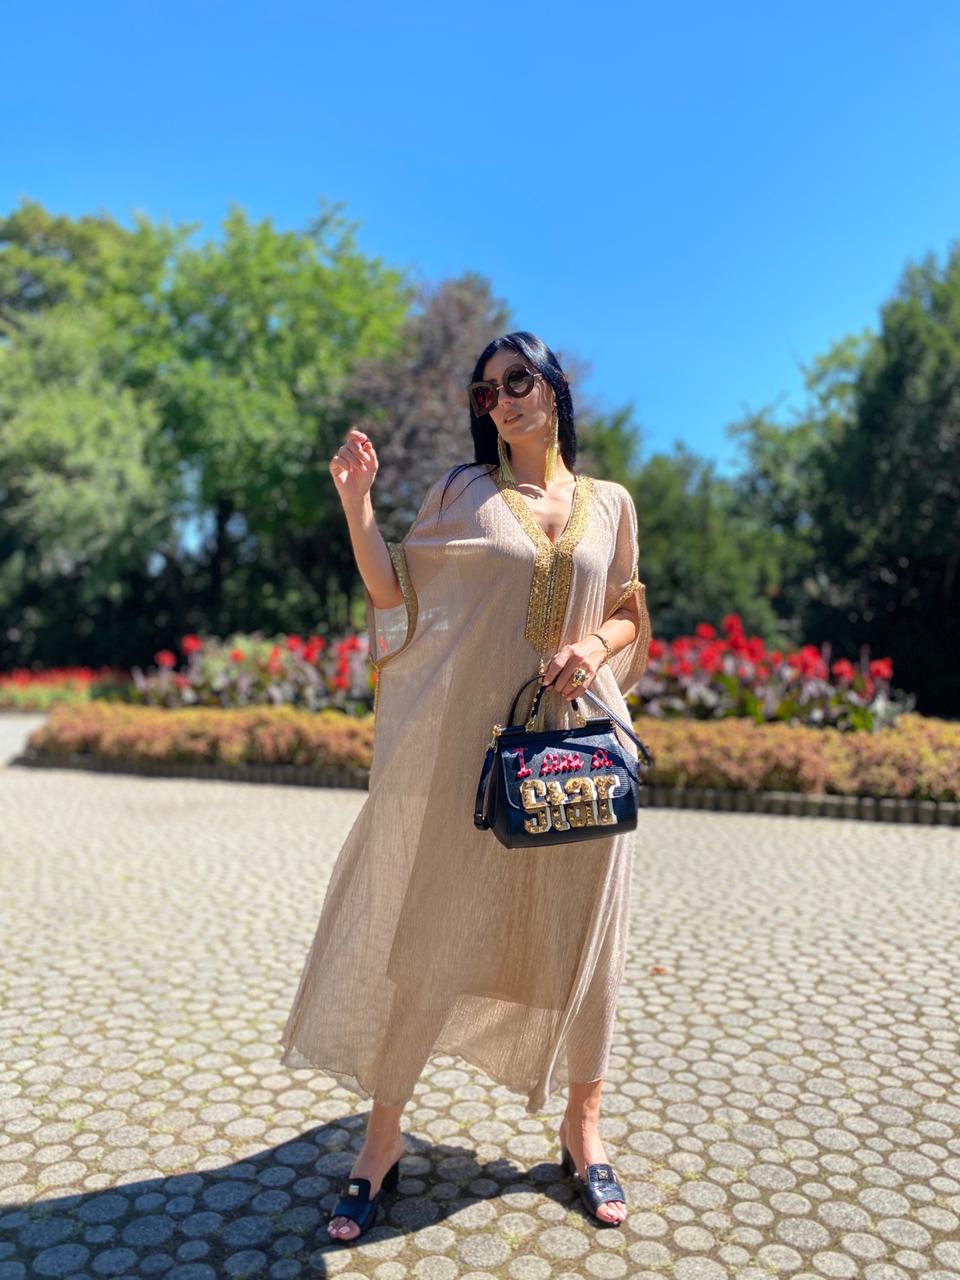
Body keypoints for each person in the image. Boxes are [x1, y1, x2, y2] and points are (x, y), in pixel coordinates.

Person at [279, 330, 652, 1241]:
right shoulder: (463, 493)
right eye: (486, 392)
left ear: (555, 387)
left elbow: (629, 610)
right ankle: (381, 1139)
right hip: (478, 754)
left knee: (585, 943)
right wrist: (358, 506)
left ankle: (583, 1128)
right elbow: (395, 594)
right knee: (434, 933)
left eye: (518, 380)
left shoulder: (610, 503)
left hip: (587, 755)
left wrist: (590, 645)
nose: (503, 400)